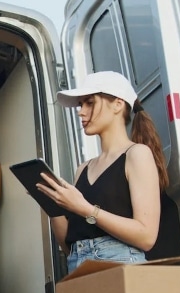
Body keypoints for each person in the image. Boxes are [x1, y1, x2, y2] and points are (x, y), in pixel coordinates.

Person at [37, 71, 169, 274]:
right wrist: (52, 205)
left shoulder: (137, 154)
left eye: (89, 103)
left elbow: (146, 236)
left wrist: (85, 209)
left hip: (121, 265)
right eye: (81, 105)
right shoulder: (83, 168)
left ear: (117, 104)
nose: (81, 112)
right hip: (77, 267)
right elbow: (68, 246)